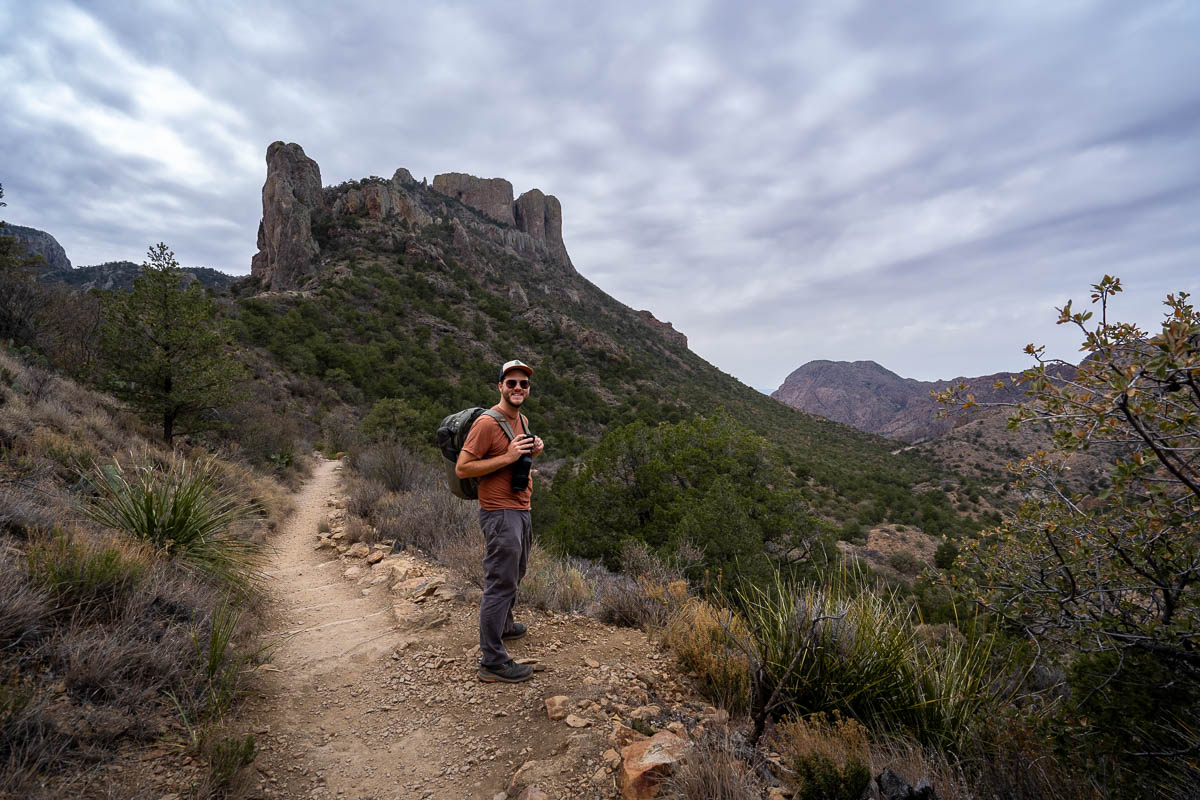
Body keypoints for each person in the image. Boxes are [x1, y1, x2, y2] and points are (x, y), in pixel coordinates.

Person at [456, 359, 545, 683]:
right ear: (500, 387)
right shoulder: (486, 423)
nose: (518, 388)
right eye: (512, 383)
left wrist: (532, 452)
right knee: (500, 582)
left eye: (523, 384)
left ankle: (505, 626)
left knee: (516, 572)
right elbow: (463, 468)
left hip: (522, 508)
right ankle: (492, 662)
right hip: (499, 512)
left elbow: (514, 460)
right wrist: (508, 457)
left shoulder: (521, 419)